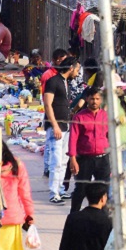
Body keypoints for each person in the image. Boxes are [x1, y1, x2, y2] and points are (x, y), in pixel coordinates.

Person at [66, 87, 112, 212]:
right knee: (81, 189)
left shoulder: (106, 116)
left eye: (97, 99)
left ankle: (103, 219)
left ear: (101, 100)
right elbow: (73, 139)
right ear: (87, 99)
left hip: (103, 158)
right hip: (84, 159)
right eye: (92, 99)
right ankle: (74, 217)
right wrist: (72, 159)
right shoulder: (79, 117)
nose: (94, 102)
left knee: (104, 190)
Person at [44, 58, 79, 202]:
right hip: (57, 127)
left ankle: (60, 189)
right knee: (56, 161)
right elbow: (47, 104)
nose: (77, 73)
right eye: (77, 69)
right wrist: (55, 125)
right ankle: (54, 193)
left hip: (66, 127)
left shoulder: (66, 83)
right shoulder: (53, 81)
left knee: (64, 160)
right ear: (70, 68)